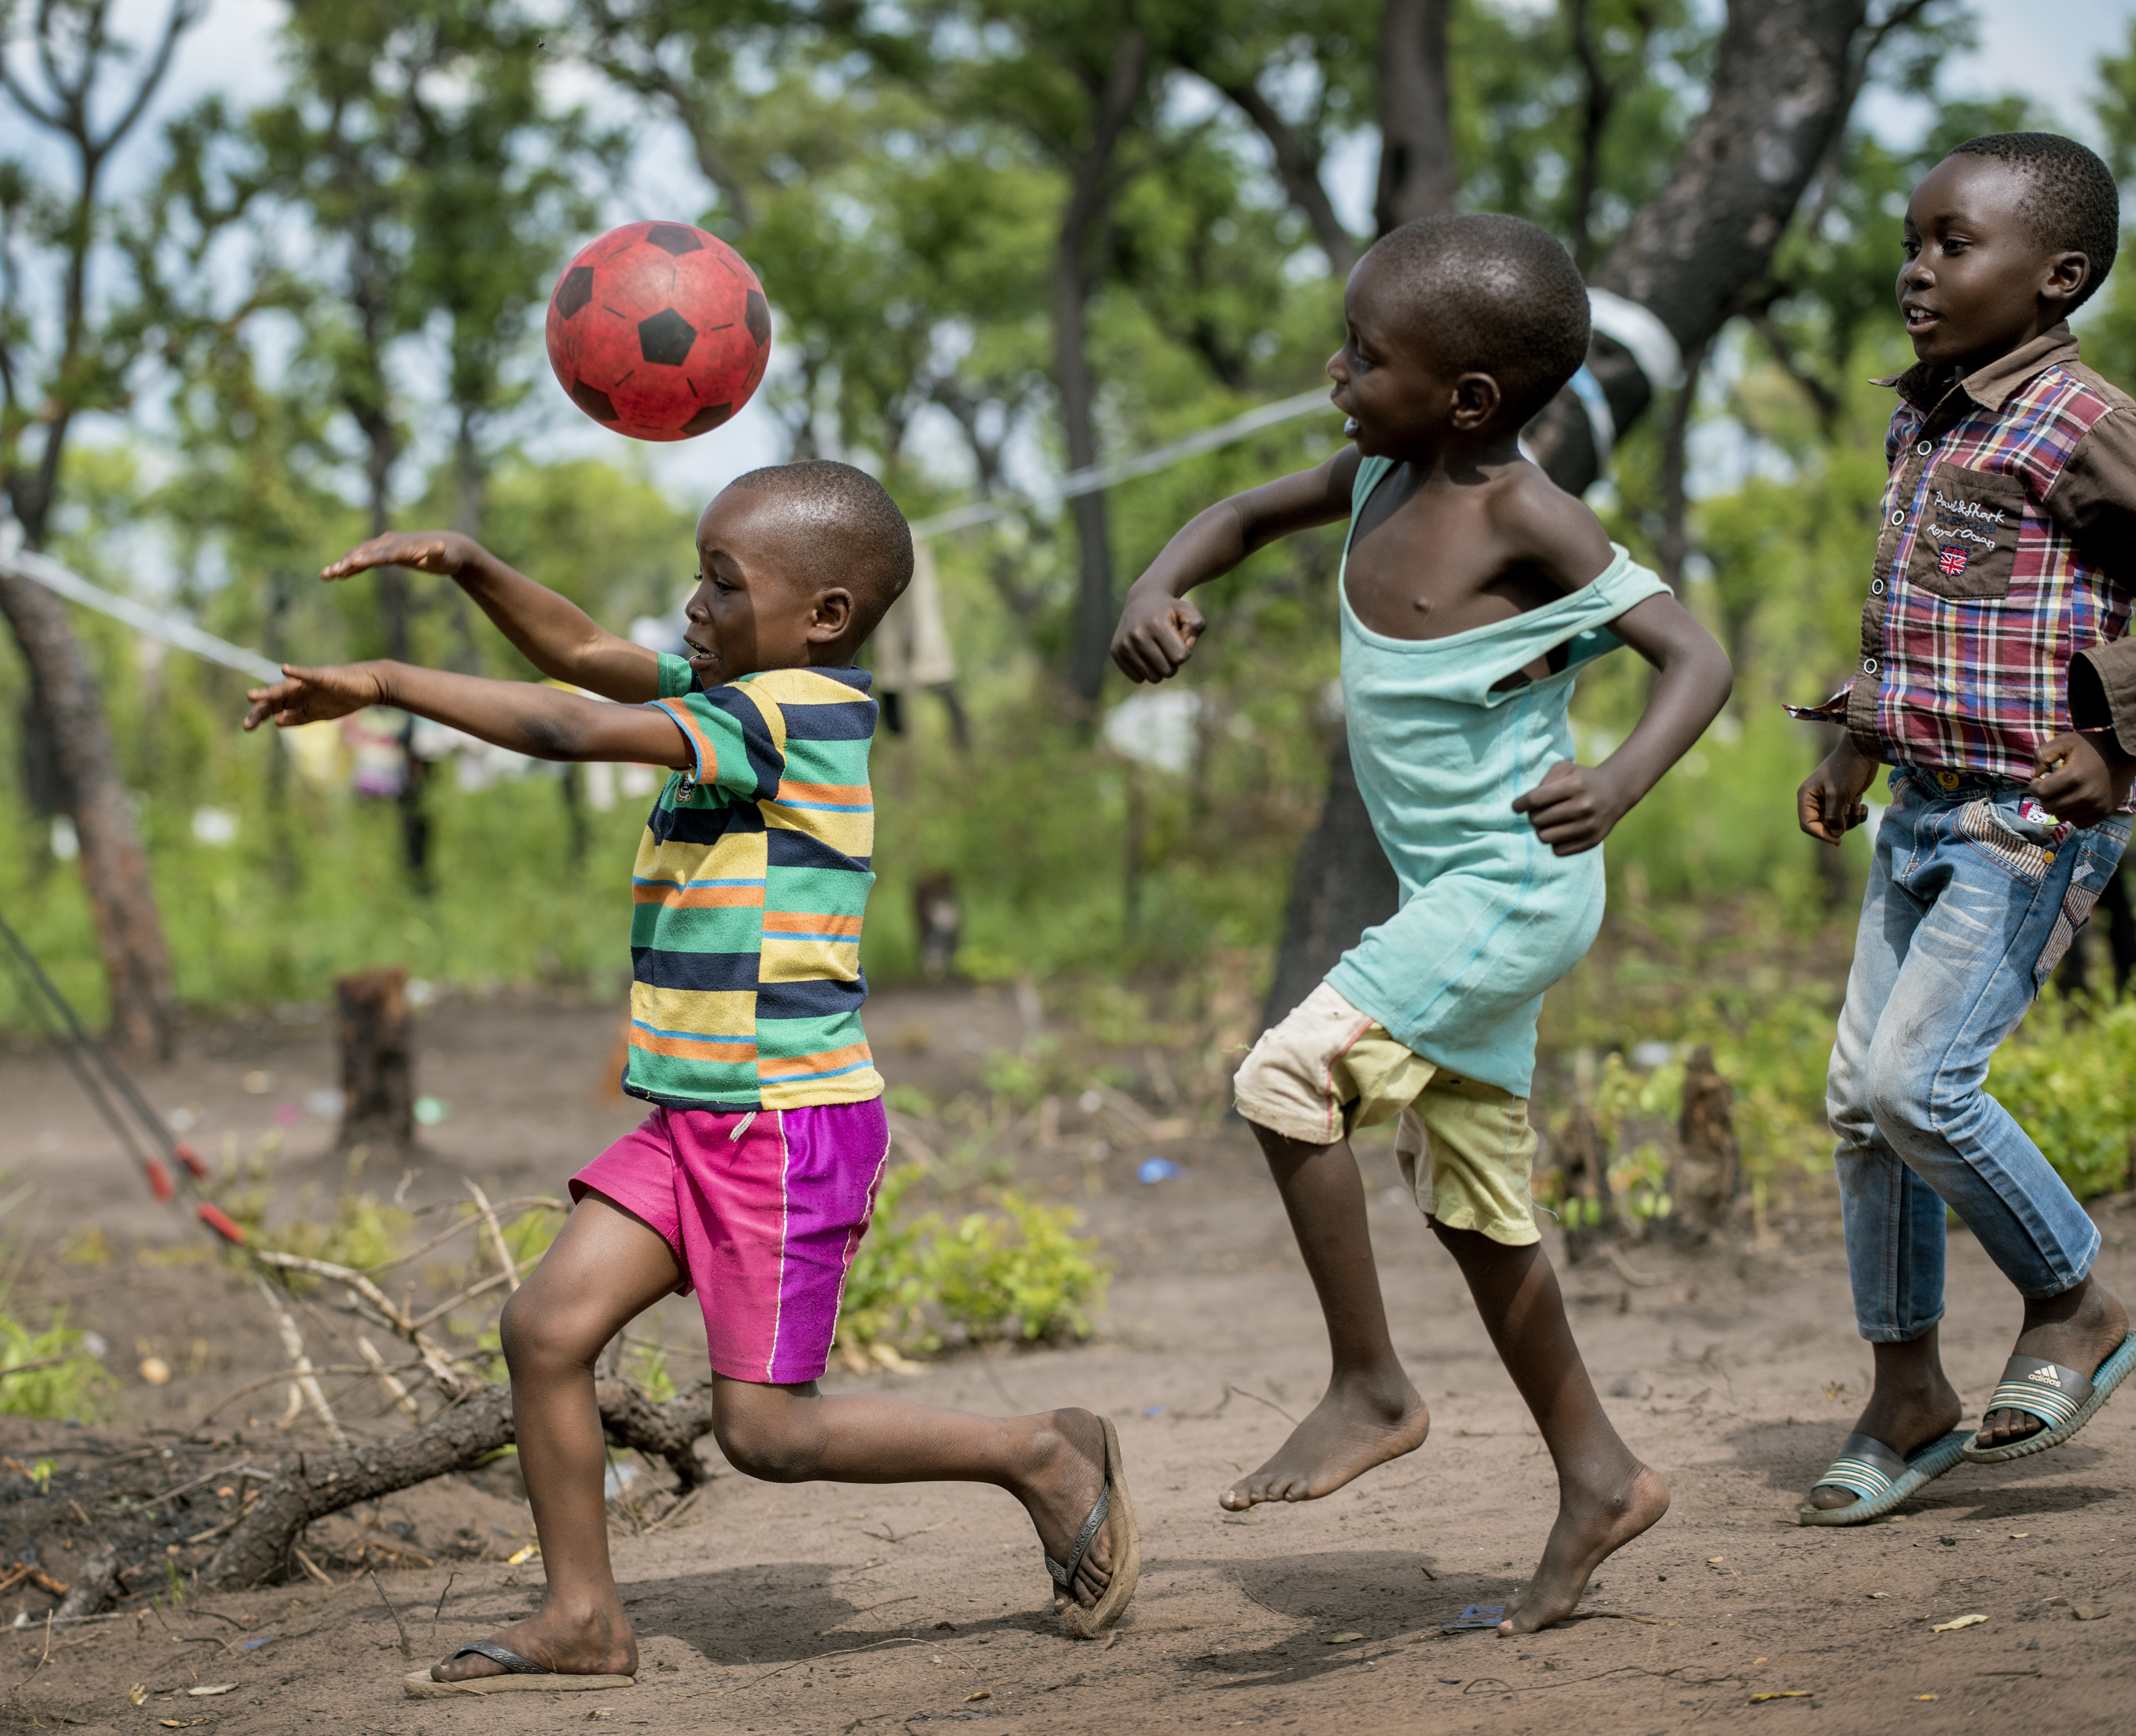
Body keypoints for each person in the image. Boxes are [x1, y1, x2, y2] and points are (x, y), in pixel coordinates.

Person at [243, 461, 1139, 1696]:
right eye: (697, 573)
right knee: (546, 1329)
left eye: (722, 583)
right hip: (694, 1119)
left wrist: (390, 684)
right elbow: (581, 654)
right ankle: (584, 1620)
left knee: (768, 1436)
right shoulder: (732, 692)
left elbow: (565, 725)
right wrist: (471, 566)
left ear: (824, 616)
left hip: (785, 1125)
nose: (691, 605)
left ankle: (1043, 1452)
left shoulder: (794, 716)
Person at [1110, 213, 1731, 1633]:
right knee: (1477, 1211)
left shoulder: (1528, 518)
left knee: (1284, 1079)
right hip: (1452, 904)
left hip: (1514, 889)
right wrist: (1161, 584)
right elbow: (1242, 517)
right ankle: (1603, 1476)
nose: (1336, 371)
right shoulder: (1377, 475)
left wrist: (1622, 780)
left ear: (1466, 398)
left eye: (1365, 356)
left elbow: (1695, 654)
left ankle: (1371, 1386)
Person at [1793, 133, 2136, 1526]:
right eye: (1913, 242)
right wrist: (1858, 737)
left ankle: (2076, 1302)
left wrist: (2117, 742)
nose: (1915, 273)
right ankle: (1909, 1389)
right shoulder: (1926, 418)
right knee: (1859, 1112)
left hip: (2027, 818)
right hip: (1925, 808)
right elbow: (1921, 610)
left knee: (1916, 1089)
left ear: (2057, 279)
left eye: (1953, 246)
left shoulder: (2082, 422)